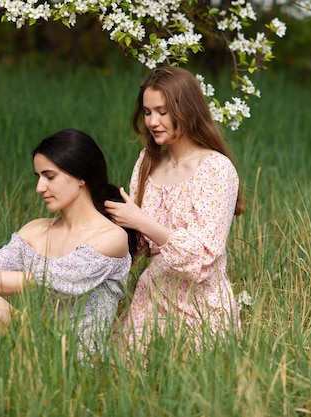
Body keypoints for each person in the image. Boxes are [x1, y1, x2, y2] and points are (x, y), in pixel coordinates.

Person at [0, 129, 134, 365]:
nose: (40, 187)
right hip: (37, 342)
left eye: (49, 176)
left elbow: (35, 281)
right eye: (38, 176)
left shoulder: (111, 238)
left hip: (75, 356)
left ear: (82, 177)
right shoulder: (36, 230)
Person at [104, 66, 244, 350]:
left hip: (201, 306)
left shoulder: (216, 168)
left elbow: (203, 259)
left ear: (187, 109)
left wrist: (141, 221)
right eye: (147, 112)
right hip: (151, 297)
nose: (153, 121)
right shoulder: (147, 161)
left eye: (162, 111)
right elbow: (139, 247)